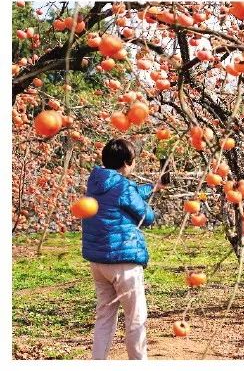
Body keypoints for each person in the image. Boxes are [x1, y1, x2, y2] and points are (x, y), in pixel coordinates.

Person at [82, 138, 156, 359]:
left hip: (99, 262)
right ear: (126, 162)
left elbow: (127, 192)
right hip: (123, 260)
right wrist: (149, 205)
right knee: (135, 317)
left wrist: (153, 187)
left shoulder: (95, 182)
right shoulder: (123, 187)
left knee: (105, 316)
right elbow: (147, 216)